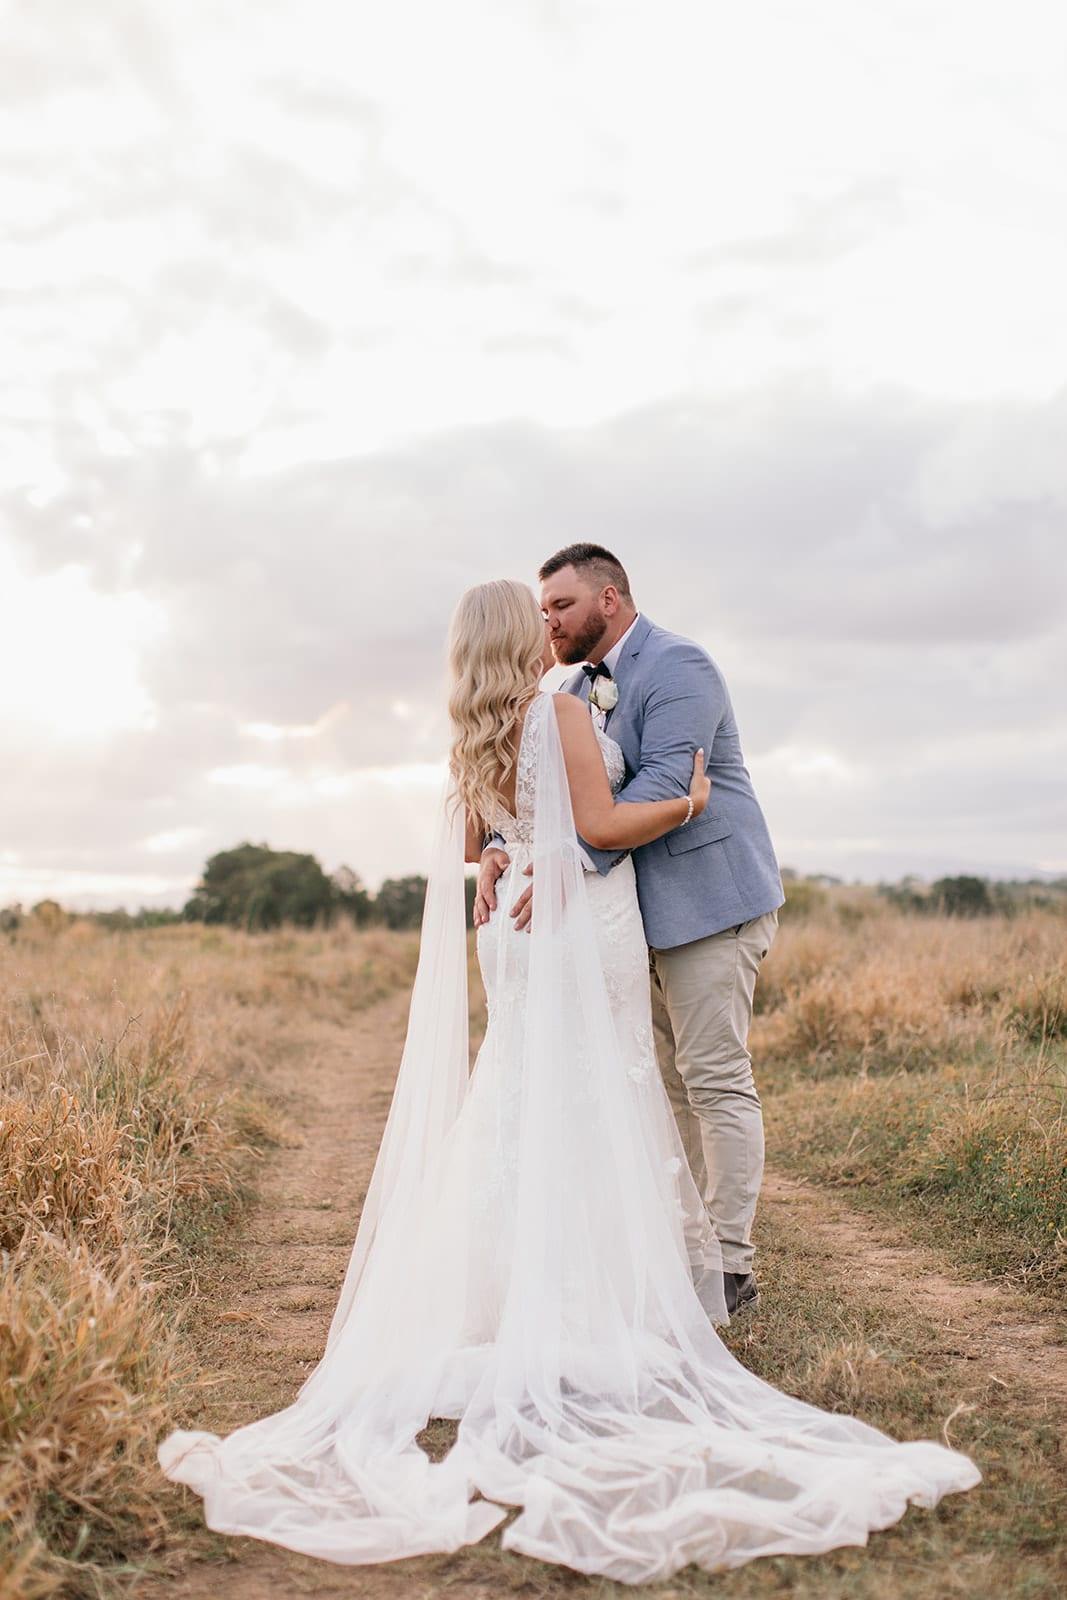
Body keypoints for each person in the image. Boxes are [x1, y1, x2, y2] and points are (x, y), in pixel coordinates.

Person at [158, 579, 979, 1582]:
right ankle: (602, 1299)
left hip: (511, 932)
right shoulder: (553, 709)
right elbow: (595, 824)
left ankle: (501, 1300)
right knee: (597, 1091)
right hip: (578, 924)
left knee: (519, 1094)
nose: (551, 625)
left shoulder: (471, 730)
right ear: (521, 639)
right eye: (536, 616)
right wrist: (685, 797)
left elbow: (473, 842)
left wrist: (505, 849)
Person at [476, 544, 782, 1315]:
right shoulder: (570, 689)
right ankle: (667, 1244)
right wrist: (500, 847)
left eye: (561, 606)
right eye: (541, 610)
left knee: (711, 1077)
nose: (548, 622)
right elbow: (532, 781)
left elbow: (666, 784)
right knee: (637, 1077)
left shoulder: (681, 666)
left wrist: (562, 856)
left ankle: (731, 1265)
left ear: (609, 599)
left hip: (706, 905)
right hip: (613, 913)